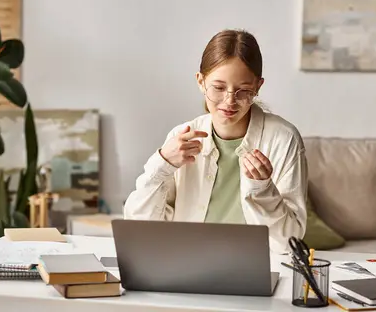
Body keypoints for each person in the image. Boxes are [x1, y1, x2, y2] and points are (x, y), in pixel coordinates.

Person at [123, 29, 308, 253]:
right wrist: (162, 164)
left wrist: (262, 190)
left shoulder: (283, 139)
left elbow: (288, 243)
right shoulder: (181, 137)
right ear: (201, 82)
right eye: (219, 88)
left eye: (244, 90)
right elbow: (140, 225)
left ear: (258, 86)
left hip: (255, 265)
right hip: (187, 260)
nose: (229, 101)